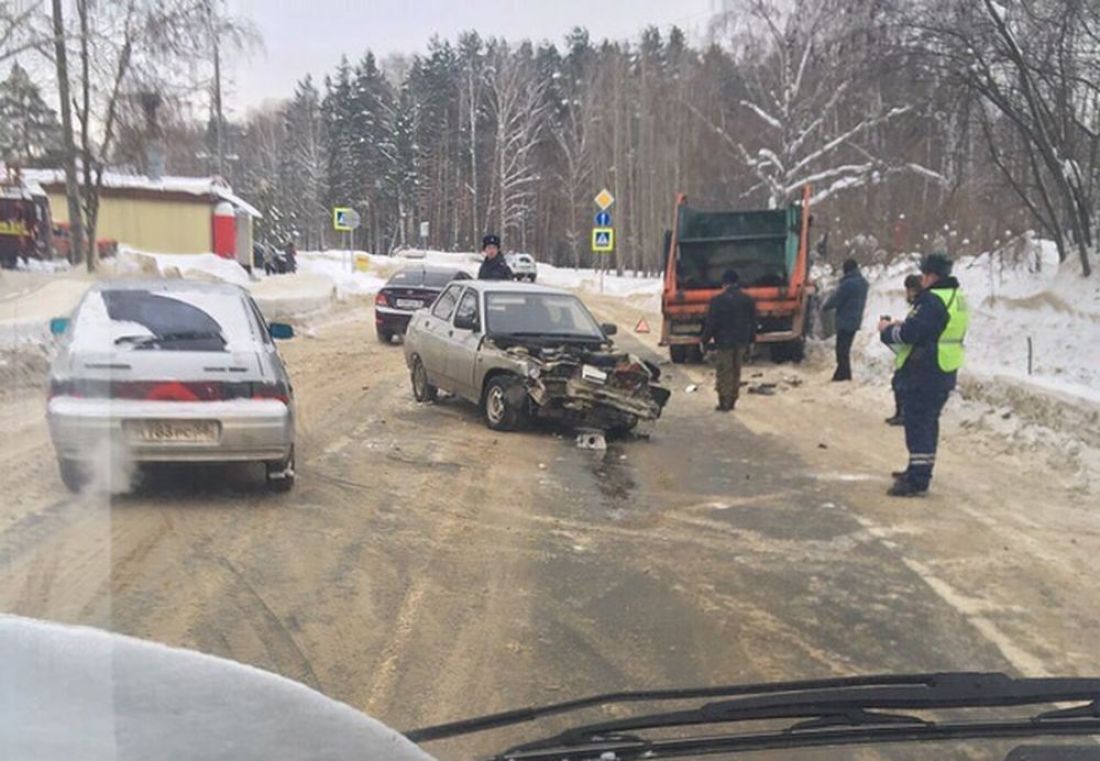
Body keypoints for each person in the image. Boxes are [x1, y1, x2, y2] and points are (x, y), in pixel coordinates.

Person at [878, 252, 970, 498]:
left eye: (924, 274)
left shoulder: (931, 301)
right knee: (927, 423)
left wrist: (888, 331)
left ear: (930, 275)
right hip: (944, 368)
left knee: (919, 424)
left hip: (925, 371)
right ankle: (918, 469)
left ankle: (918, 480)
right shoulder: (957, 297)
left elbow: (912, 333)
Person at [701, 269, 756, 412]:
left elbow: (711, 323)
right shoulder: (747, 300)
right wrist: (751, 340)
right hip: (741, 341)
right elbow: (753, 321)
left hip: (724, 342)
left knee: (724, 371)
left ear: (724, 283)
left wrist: (704, 340)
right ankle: (732, 399)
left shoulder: (717, 301)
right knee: (736, 370)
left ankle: (724, 401)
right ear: (737, 282)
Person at [885, 274, 925, 426]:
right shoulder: (919, 306)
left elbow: (915, 329)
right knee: (899, 383)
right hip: (909, 354)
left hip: (913, 354)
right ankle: (901, 413)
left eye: (908, 290)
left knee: (903, 385)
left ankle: (903, 414)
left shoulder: (922, 306)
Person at [822, 257, 869, 381]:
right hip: (855, 320)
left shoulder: (847, 284)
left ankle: (844, 376)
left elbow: (836, 299)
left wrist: (825, 306)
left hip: (844, 321)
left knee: (841, 350)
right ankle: (841, 374)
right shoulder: (863, 282)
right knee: (845, 349)